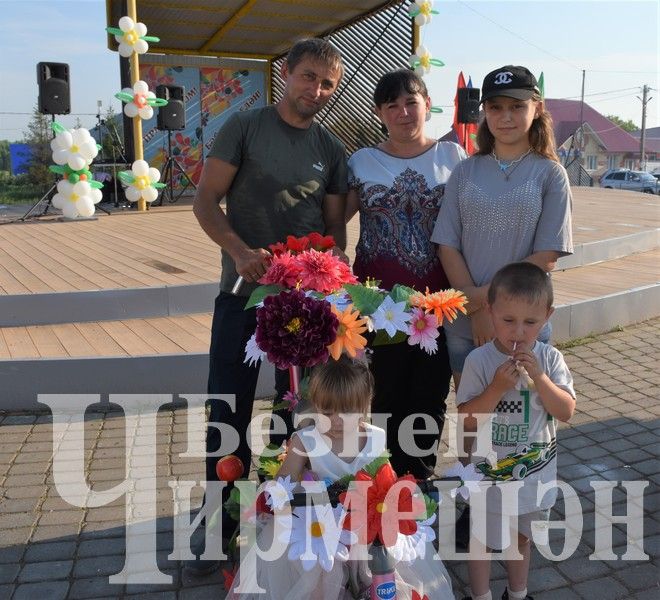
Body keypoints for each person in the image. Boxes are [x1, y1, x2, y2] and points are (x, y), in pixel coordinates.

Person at [189, 38, 348, 573]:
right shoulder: (245, 126)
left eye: (327, 83)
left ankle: (284, 519)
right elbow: (205, 201)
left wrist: (325, 268)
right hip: (241, 297)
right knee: (226, 414)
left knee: (298, 414)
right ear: (285, 73)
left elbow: (332, 229)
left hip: (303, 305)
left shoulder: (330, 148)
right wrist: (239, 252)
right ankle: (219, 527)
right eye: (308, 77)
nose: (316, 91)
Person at [226, 356, 455, 600]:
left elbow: (387, 477)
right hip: (320, 526)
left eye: (347, 412)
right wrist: (281, 495)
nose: (336, 421)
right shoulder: (306, 440)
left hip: (365, 522)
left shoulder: (375, 437)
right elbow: (284, 482)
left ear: (365, 405)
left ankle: (378, 588)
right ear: (315, 405)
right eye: (327, 411)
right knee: (319, 571)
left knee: (389, 560)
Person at [346, 69, 466, 480]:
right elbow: (330, 226)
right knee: (383, 395)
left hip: (437, 306)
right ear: (380, 112)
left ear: (427, 104)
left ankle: (418, 482)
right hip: (378, 306)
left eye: (411, 102)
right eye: (392, 105)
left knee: (429, 396)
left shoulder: (453, 157)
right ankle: (383, 483)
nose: (403, 112)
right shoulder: (361, 162)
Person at [431, 65, 573, 389]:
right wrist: (475, 308)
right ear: (485, 113)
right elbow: (446, 243)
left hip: (524, 325)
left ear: (536, 109)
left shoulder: (550, 174)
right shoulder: (465, 171)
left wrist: (484, 302)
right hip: (467, 323)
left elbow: (546, 255)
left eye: (516, 106)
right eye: (496, 107)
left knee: (521, 426)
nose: (505, 116)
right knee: (473, 421)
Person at [456, 262, 576, 600]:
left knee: (520, 538)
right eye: (508, 320)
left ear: (547, 316)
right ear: (490, 312)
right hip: (488, 477)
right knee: (481, 538)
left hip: (532, 479)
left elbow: (565, 411)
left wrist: (540, 379)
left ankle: (518, 593)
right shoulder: (479, 361)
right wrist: (495, 388)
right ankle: (480, 596)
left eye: (530, 322)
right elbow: (466, 418)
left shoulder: (550, 360)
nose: (518, 332)